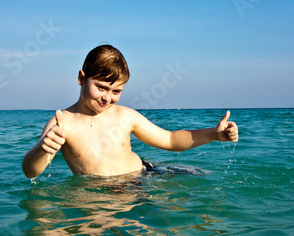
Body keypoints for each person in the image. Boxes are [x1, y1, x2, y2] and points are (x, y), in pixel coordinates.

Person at [22, 44, 238, 178]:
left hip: (145, 177)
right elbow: (31, 171)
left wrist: (214, 134)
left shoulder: (125, 116)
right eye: (101, 88)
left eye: (116, 91)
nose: (107, 98)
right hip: (104, 193)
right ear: (81, 78)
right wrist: (42, 148)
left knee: (168, 232)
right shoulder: (63, 123)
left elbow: (170, 140)